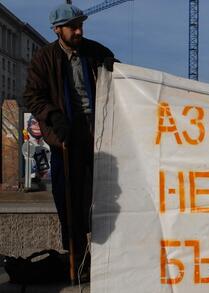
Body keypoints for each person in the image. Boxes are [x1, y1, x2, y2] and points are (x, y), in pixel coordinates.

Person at [23, 3, 116, 280]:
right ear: (57, 30)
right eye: (73, 27)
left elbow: (122, 78)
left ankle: (109, 257)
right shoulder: (44, 58)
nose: (79, 31)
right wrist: (54, 116)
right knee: (70, 200)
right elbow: (33, 96)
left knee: (102, 195)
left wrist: (115, 69)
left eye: (81, 25)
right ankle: (78, 261)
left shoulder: (96, 51)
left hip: (99, 131)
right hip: (66, 135)